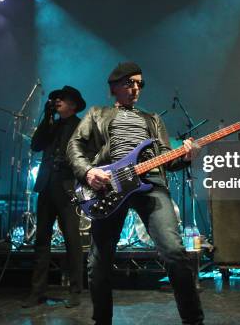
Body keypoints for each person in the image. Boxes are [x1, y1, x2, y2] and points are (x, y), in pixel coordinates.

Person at [67, 62, 204, 325]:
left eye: (139, 84)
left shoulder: (152, 119)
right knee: (98, 263)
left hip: (150, 183)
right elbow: (74, 145)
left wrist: (187, 156)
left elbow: (167, 159)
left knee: (175, 252)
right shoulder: (97, 113)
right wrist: (87, 172)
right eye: (130, 83)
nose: (136, 88)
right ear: (114, 87)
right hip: (109, 185)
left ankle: (194, 321)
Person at [22, 85, 86, 309]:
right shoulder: (51, 124)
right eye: (56, 99)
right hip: (46, 186)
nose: (58, 101)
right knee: (42, 240)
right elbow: (35, 145)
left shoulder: (81, 126)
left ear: (74, 104)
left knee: (72, 240)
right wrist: (47, 116)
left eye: (63, 99)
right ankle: (37, 292)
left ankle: (75, 291)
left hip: (68, 188)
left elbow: (88, 155)